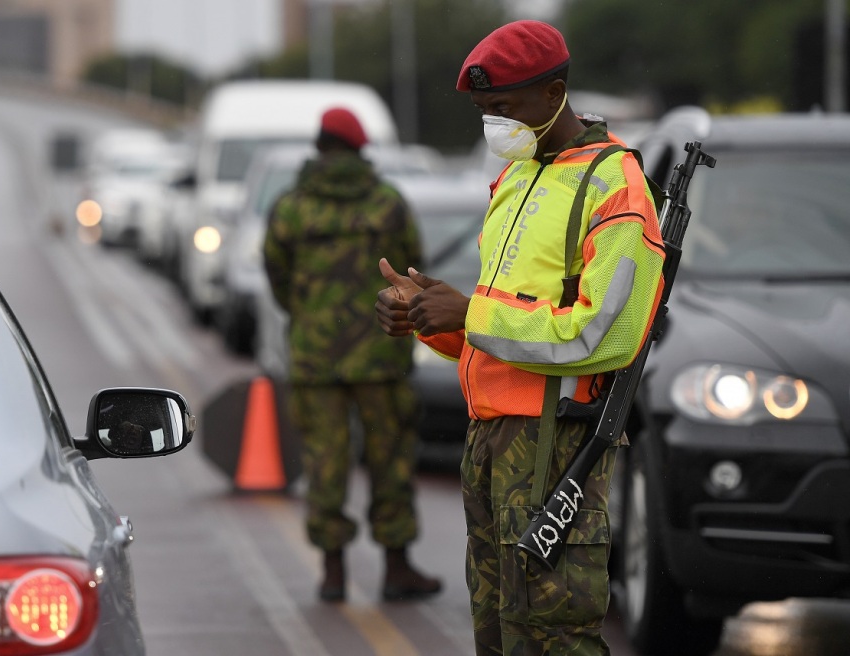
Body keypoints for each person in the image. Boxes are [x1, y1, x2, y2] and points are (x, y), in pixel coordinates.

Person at [375, 20, 665, 654]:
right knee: (498, 632)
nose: (492, 126)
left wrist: (471, 313)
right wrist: (432, 317)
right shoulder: (516, 176)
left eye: (502, 109)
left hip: (552, 446)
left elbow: (603, 335)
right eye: (484, 112)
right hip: (490, 441)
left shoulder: (614, 186)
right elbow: (507, 324)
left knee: (556, 635)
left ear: (554, 92)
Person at [264, 106, 442, 603]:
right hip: (381, 357)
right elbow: (413, 272)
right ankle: (396, 566)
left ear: (319, 146)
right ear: (360, 149)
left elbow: (276, 275)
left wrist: (307, 316)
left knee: (325, 460)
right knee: (391, 458)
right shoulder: (388, 203)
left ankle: (333, 571)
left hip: (315, 358)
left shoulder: (291, 207)